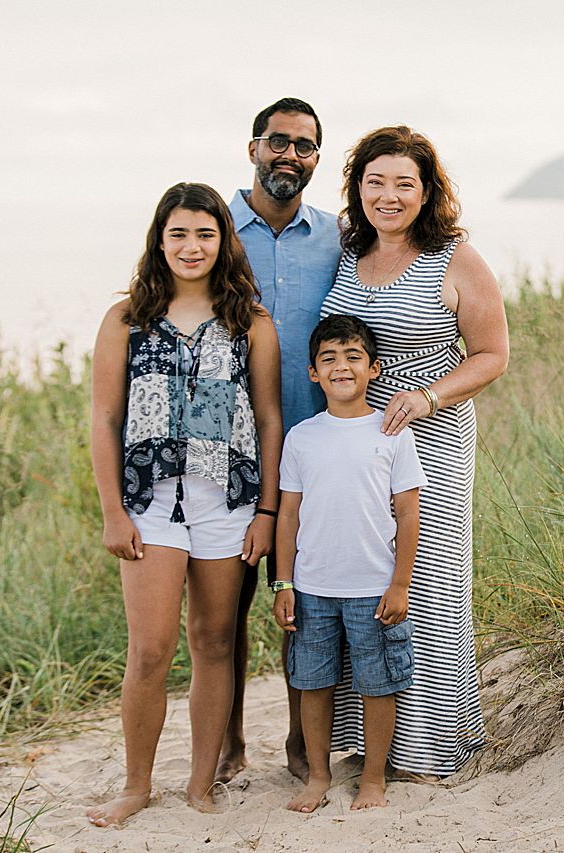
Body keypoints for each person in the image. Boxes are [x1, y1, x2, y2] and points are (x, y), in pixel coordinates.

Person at [86, 182, 282, 827]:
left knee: (214, 642)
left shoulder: (249, 322)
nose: (192, 246)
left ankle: (202, 784)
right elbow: (104, 416)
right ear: (159, 241)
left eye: (205, 233)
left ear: (223, 240)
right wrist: (113, 511)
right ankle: (137, 785)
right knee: (149, 651)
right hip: (149, 503)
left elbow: (269, 418)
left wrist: (267, 512)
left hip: (227, 500)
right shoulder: (126, 320)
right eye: (179, 234)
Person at [320, 126, 509, 777]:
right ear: (358, 187)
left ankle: (426, 746)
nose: (389, 195)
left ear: (427, 191)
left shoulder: (453, 256)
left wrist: (428, 396)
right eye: (377, 181)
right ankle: (366, 737)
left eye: (405, 183)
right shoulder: (344, 253)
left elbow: (492, 355)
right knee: (365, 575)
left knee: (425, 580)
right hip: (354, 441)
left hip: (432, 436)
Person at [218, 97, 342, 785]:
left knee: (306, 604)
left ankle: (303, 743)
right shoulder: (215, 231)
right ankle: (231, 742)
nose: (289, 155)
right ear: (253, 148)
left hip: (314, 454)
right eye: (277, 142)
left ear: (317, 158)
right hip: (229, 457)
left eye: (304, 146)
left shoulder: (337, 236)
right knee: (224, 609)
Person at [271, 314, 426, 811]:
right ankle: (318, 776)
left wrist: (399, 584)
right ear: (313, 373)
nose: (342, 366)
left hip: (373, 587)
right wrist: (283, 583)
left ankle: (374, 779)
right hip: (312, 588)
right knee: (313, 681)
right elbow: (289, 515)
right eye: (329, 358)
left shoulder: (392, 434)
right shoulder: (302, 437)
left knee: (378, 682)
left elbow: (407, 513)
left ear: (375, 368)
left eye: (353, 356)